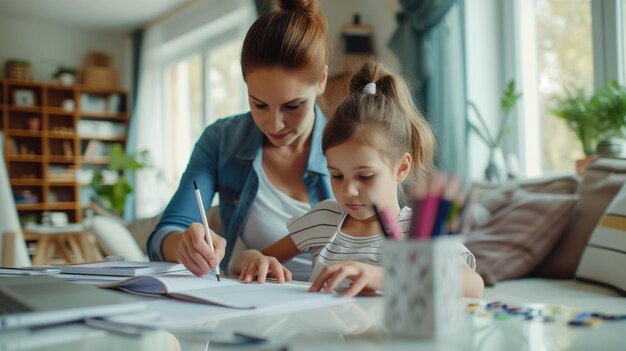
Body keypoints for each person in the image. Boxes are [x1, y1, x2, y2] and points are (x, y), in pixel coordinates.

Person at [231, 60, 485, 298]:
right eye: (336, 175)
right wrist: (255, 259)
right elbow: (245, 260)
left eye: (365, 176)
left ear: (402, 168)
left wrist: (383, 276)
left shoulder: (419, 230)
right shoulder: (322, 221)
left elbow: (473, 285)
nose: (348, 190)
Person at [147, 0, 333, 278]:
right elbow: (164, 234)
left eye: (292, 106)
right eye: (259, 104)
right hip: (252, 304)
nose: (274, 124)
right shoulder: (221, 139)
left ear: (321, 81)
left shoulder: (354, 146)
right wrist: (184, 245)